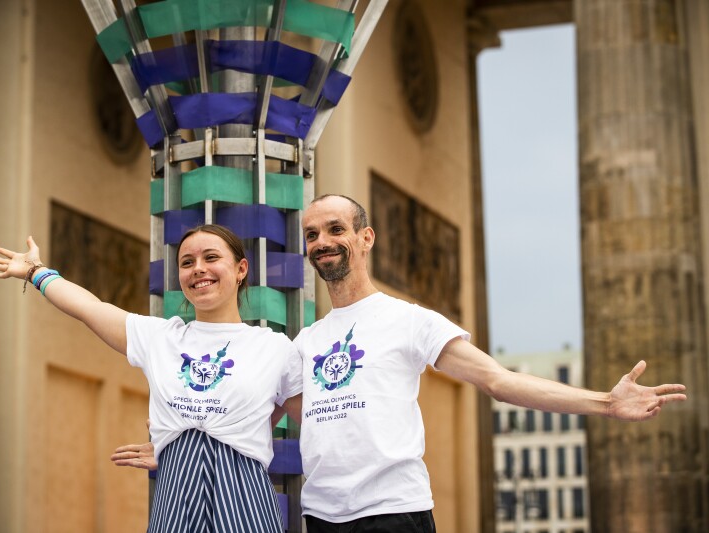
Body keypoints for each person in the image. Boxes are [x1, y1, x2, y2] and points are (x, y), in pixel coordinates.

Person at [115, 194, 688, 533]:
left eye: (335, 229)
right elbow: (269, 410)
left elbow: (498, 380)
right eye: (312, 234)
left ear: (365, 238)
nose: (322, 241)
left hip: (395, 514)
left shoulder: (410, 320)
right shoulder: (304, 342)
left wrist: (603, 404)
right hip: (322, 517)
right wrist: (183, 440)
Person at [0, 224, 303, 533]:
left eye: (211, 258)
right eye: (187, 262)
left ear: (241, 269)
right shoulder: (160, 337)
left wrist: (234, 432)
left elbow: (313, 422)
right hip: (176, 491)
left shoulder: (274, 347)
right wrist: (35, 271)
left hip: (245, 498)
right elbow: (89, 308)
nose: (198, 269)